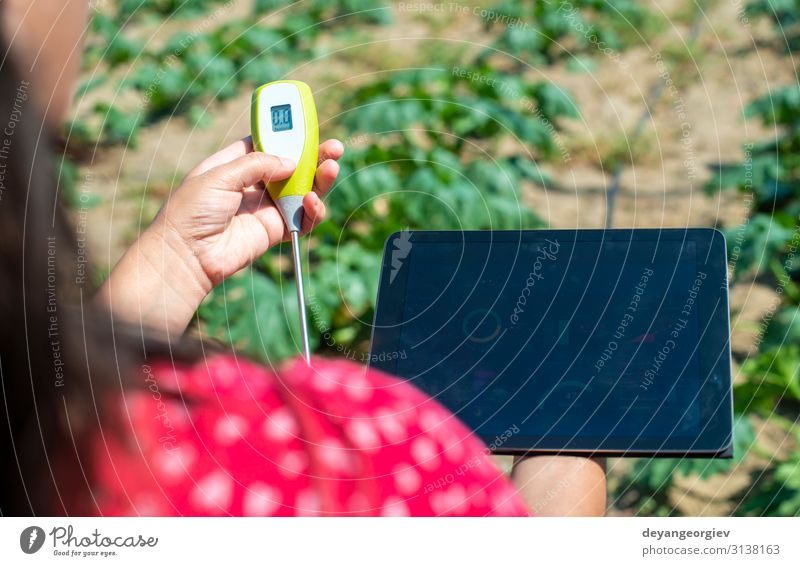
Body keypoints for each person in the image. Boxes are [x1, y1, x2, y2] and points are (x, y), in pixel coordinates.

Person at [0, 0, 606, 516]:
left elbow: (57, 400)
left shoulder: (53, 443)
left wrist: (178, 260)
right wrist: (571, 458)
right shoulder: (344, 452)